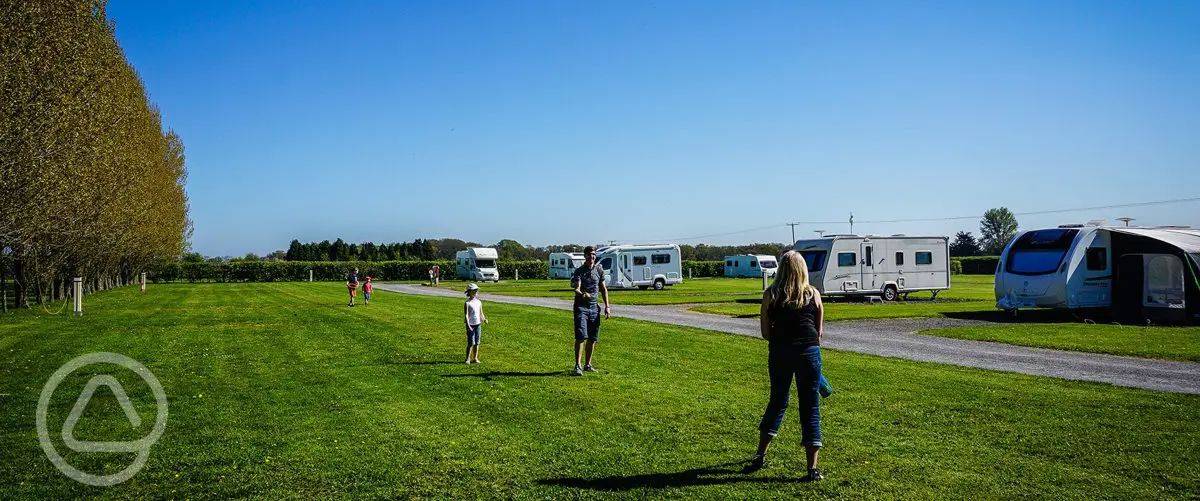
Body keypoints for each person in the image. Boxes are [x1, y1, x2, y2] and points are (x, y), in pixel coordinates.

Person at [747, 250, 826, 482]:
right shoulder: (813, 294)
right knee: (810, 407)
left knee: (778, 401)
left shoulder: (770, 295)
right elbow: (818, 333)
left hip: (780, 353)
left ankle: (760, 454)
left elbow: (765, 333)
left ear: (781, 269)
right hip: (809, 354)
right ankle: (812, 468)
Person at [570, 246, 610, 376]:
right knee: (581, 336)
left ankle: (588, 365)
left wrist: (607, 306)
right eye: (589, 254)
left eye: (593, 254)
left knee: (593, 338)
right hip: (581, 308)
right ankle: (578, 366)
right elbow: (577, 288)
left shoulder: (599, 269)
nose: (592, 256)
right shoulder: (579, 271)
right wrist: (583, 294)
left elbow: (603, 289)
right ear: (585, 256)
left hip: (594, 308)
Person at [463, 283, 487, 364]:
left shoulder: (479, 302)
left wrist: (484, 319)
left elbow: (481, 313)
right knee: (471, 343)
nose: (475, 292)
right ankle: (467, 359)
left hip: (478, 325)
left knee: (477, 342)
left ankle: (475, 358)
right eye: (473, 290)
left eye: (476, 290)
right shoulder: (467, 303)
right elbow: (466, 315)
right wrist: (468, 325)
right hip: (471, 325)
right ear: (469, 292)